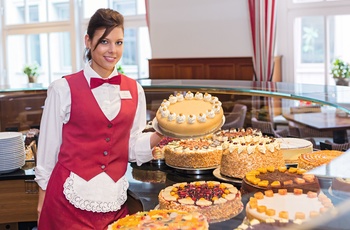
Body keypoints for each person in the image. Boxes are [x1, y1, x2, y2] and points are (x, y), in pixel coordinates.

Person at [35, 8, 163, 230]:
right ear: (88, 41)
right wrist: (41, 205)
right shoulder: (62, 89)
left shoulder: (136, 90)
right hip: (66, 202)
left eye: (119, 42)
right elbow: (47, 154)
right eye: (105, 41)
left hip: (114, 202)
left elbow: (130, 147)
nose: (113, 50)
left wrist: (161, 133)